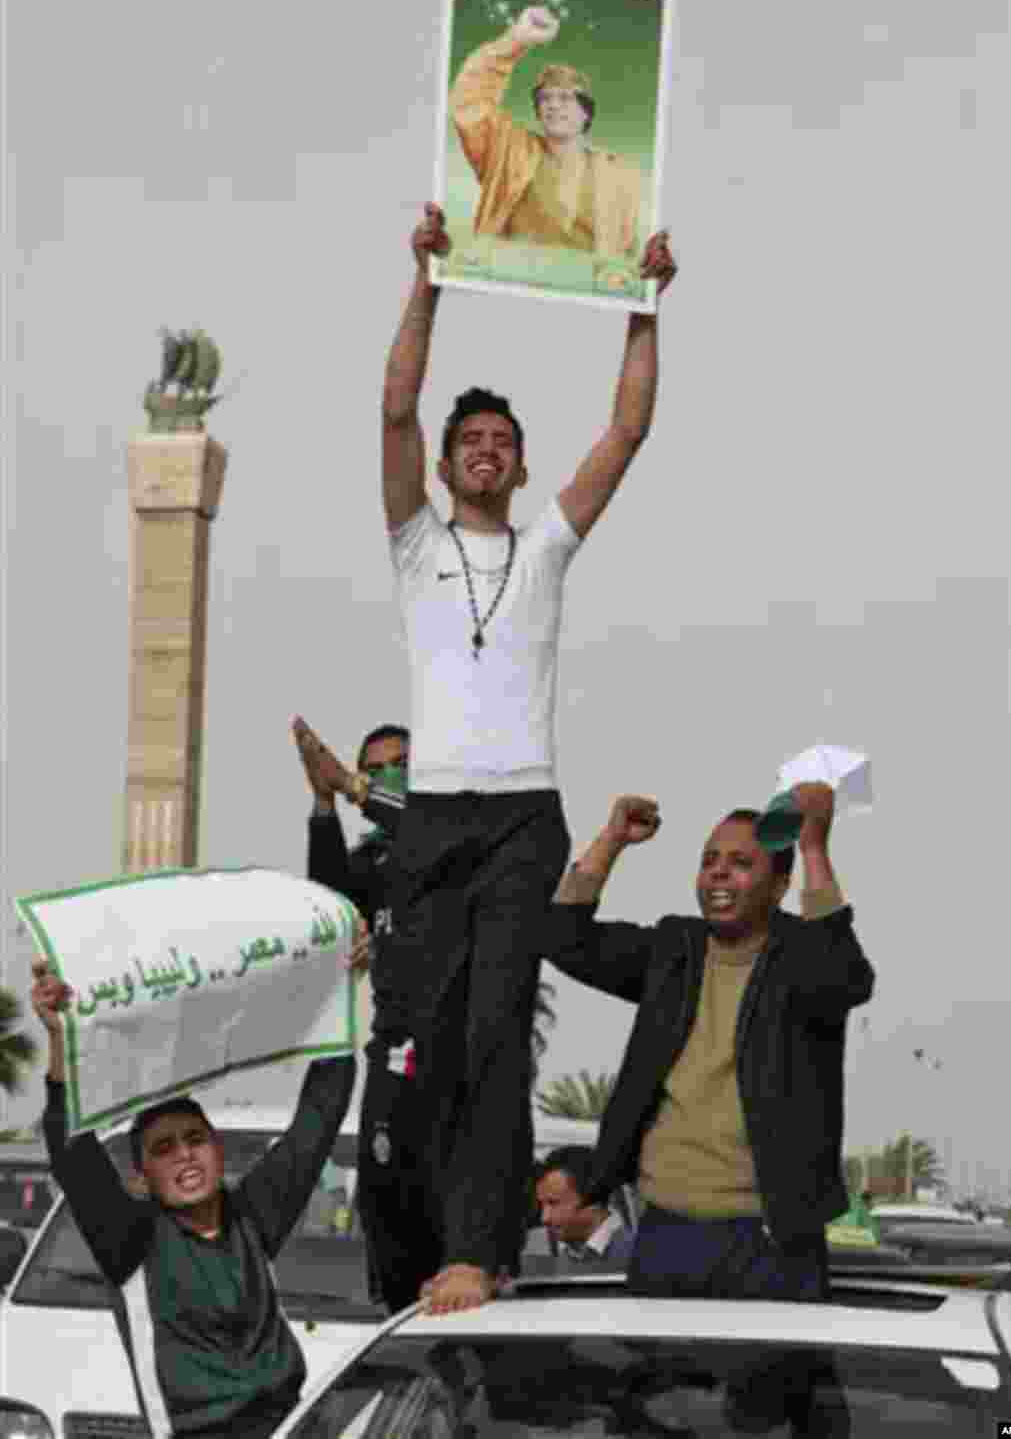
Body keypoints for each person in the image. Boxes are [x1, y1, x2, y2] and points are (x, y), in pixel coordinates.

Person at [380, 202, 676, 1314]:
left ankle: (478, 1249)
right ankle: (415, 1242)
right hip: (432, 822)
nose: (486, 451)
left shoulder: (545, 546)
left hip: (519, 820)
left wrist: (643, 303)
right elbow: (396, 404)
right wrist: (429, 277)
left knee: (502, 1036)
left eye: (502, 442)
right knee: (423, 1044)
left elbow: (628, 432)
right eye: (472, 443)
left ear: (518, 463)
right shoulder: (416, 544)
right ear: (452, 463)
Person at [536, 782, 871, 1430]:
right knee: (650, 1420)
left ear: (779, 888)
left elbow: (849, 977)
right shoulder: (673, 948)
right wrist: (611, 842)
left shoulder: (803, 958)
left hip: (771, 1246)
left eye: (742, 863)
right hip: (666, 1238)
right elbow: (563, 939)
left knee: (773, 1423)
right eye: (710, 858)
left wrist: (814, 846)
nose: (719, 871)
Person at [31, 957, 358, 1439]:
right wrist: (60, 1039)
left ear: (217, 1150)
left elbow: (317, 1120)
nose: (184, 1155)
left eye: (194, 1139)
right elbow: (72, 1155)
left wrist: (342, 989)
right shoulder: (132, 1242)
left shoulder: (252, 1217)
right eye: (164, 1149)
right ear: (141, 1178)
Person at [292, 715, 445, 1313]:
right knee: (386, 1201)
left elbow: (429, 837)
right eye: (373, 767)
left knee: (445, 1207)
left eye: (399, 764)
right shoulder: (375, 860)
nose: (385, 776)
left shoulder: (458, 839)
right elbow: (328, 899)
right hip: (392, 1052)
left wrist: (354, 785)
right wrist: (324, 800)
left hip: (455, 1055)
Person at [450, 5, 640, 259]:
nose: (552, 104)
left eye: (565, 97)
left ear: (586, 113)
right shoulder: (508, 151)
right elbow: (469, 99)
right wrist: (516, 39)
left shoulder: (616, 174)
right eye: (545, 98)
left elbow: (627, 255)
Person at [534, 1146, 635, 1265]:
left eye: (553, 1203)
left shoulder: (640, 1257)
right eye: (543, 1205)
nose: (545, 1217)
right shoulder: (564, 1256)